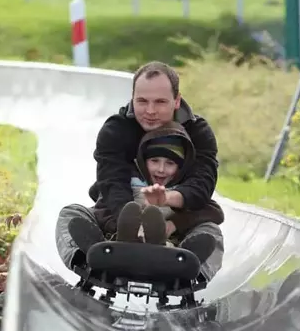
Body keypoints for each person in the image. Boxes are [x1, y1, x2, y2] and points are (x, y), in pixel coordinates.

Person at [56, 60, 225, 283]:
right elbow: (111, 184)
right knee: (70, 214)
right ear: (132, 97)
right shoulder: (115, 130)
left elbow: (202, 187)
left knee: (211, 233)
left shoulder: (199, 133)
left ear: (177, 101)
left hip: (174, 225)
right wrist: (130, 225)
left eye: (160, 102)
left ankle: (189, 271)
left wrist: (168, 208)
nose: (150, 111)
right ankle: (91, 260)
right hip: (119, 222)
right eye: (142, 101)